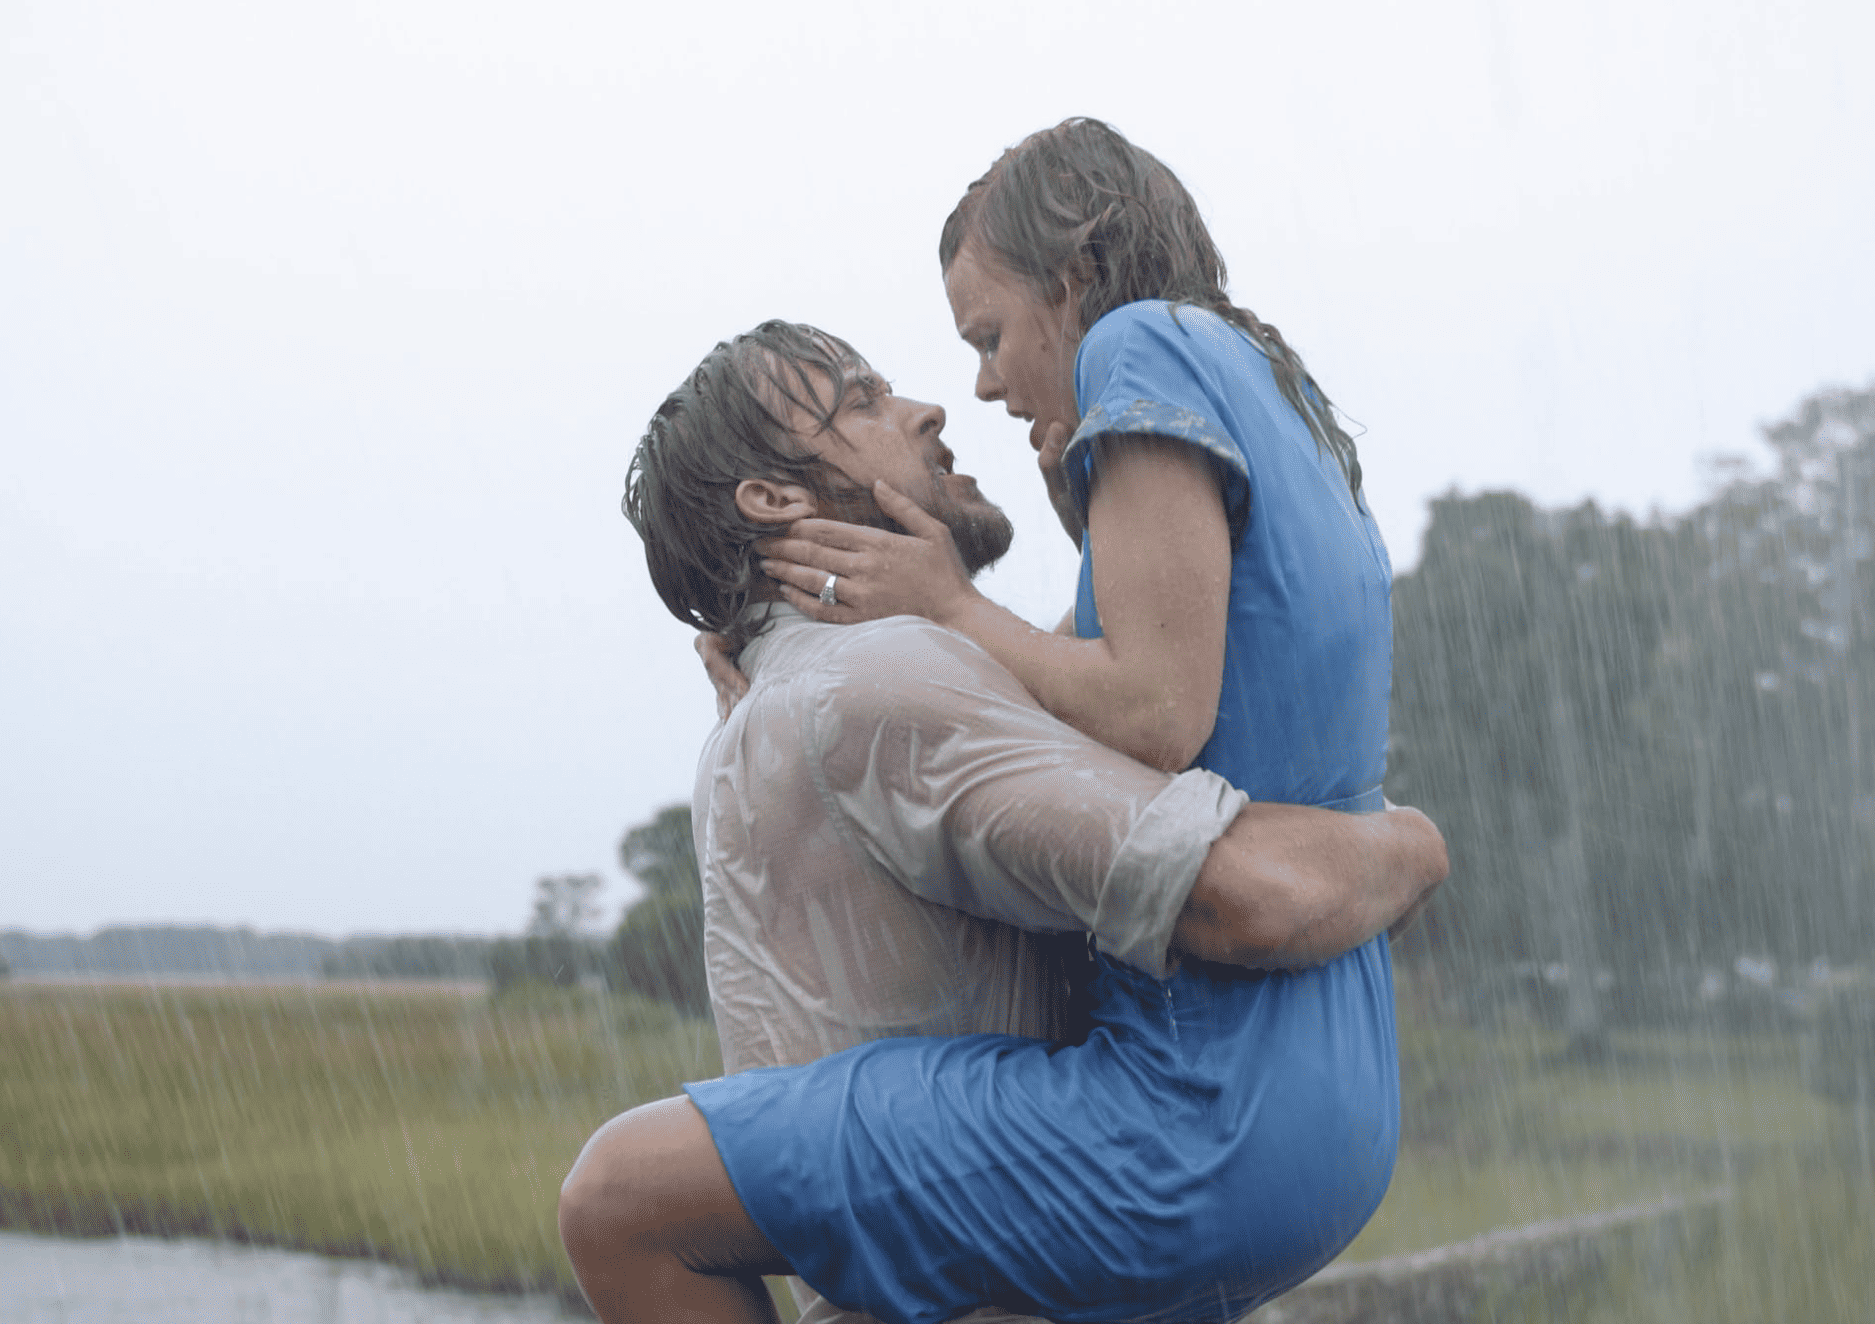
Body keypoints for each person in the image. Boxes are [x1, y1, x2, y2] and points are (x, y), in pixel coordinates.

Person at [560, 318, 1446, 1324]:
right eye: (860, 401)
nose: (926, 408)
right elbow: (1249, 900)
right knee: (622, 1186)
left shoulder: (758, 722)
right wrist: (1411, 841)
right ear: (774, 501)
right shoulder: (872, 686)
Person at [752, 118, 1411, 1315]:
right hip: (1341, 1059)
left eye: (991, 335)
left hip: (1212, 1084)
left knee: (657, 1191)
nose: (985, 383)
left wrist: (950, 604)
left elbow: (1157, 714)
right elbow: (1248, 684)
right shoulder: (1272, 382)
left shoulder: (1137, 342)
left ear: (1074, 274)